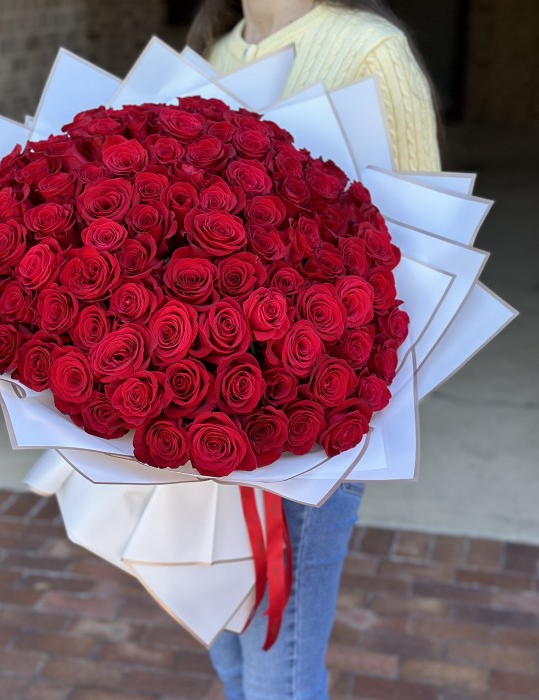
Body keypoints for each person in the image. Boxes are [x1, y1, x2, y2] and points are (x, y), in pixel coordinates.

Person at [188, 1, 441, 699]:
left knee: (280, 669)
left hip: (312, 418)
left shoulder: (370, 52)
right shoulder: (213, 54)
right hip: (197, 421)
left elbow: (421, 248)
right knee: (228, 651)